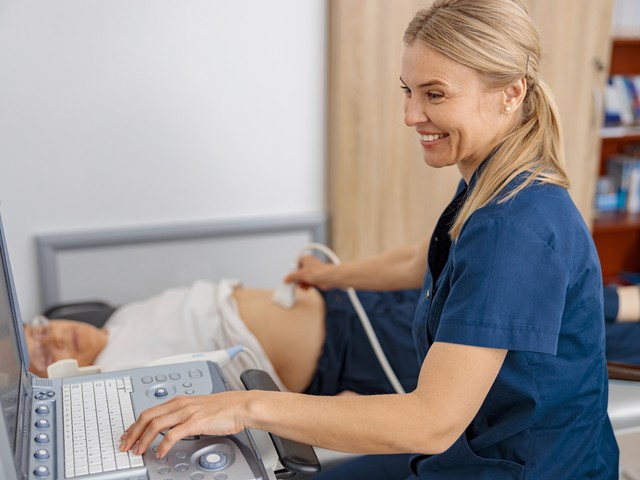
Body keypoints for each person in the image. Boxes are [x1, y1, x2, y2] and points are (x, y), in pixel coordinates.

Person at [120, 1, 619, 478]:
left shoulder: (512, 228)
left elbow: (431, 421)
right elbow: (421, 262)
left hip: (520, 467)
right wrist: (330, 276)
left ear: (511, 93)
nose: (411, 115)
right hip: (474, 452)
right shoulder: (496, 186)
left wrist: (246, 407)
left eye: (435, 94)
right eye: (408, 91)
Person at [24, 279, 421, 394]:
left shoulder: (123, 316)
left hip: (341, 298)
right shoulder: (114, 377)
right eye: (42, 355)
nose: (55, 339)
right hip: (350, 348)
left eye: (41, 331)